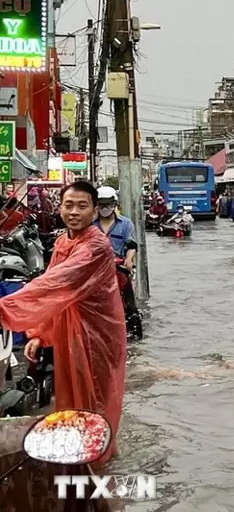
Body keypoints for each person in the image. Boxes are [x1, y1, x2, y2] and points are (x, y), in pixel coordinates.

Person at [0, 181, 125, 463]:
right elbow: (55, 295)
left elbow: (54, 285)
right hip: (71, 330)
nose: (74, 212)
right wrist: (39, 334)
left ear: (94, 211)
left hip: (97, 337)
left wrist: (5, 307)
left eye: (82, 206)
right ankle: (88, 459)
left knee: (95, 401)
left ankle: (98, 468)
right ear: (59, 208)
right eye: (69, 205)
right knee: (71, 401)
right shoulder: (62, 242)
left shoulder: (95, 246)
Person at [93, 186, 137, 270]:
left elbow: (131, 246)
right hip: (94, 268)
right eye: (101, 205)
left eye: (108, 205)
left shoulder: (126, 224)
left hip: (117, 268)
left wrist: (128, 259)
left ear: (114, 204)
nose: (104, 208)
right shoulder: (90, 224)